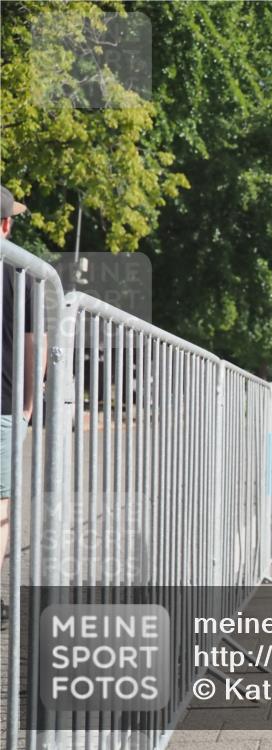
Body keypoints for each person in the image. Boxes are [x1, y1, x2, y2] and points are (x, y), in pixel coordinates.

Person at [1, 185, 44, 630]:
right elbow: (36, 349)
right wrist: (28, 408)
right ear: (7, 224)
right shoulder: (23, 273)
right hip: (3, 405)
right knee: (0, 509)